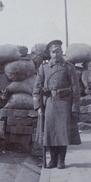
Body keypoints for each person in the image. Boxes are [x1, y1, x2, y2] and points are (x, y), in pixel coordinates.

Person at [32, 40, 81, 169]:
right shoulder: (43, 68)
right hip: (49, 103)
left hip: (64, 103)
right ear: (50, 53)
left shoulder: (69, 67)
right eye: (53, 52)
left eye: (58, 51)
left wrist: (75, 107)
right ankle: (52, 160)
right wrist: (38, 106)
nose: (56, 54)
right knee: (50, 132)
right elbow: (37, 88)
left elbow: (76, 89)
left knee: (62, 132)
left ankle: (61, 160)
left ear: (61, 52)